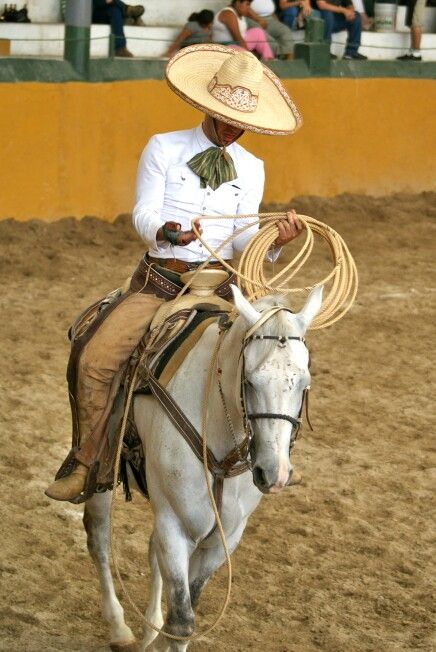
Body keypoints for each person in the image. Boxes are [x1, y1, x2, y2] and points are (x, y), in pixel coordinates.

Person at [45, 45, 303, 503]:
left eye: (241, 121)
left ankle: (274, 456)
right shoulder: (163, 147)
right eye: (225, 116)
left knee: (278, 359)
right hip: (160, 282)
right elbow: (142, 213)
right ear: (206, 107)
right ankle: (87, 461)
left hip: (222, 285)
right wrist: (166, 231)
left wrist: (274, 245)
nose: (232, 128)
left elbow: (244, 240)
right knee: (94, 358)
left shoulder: (253, 168)